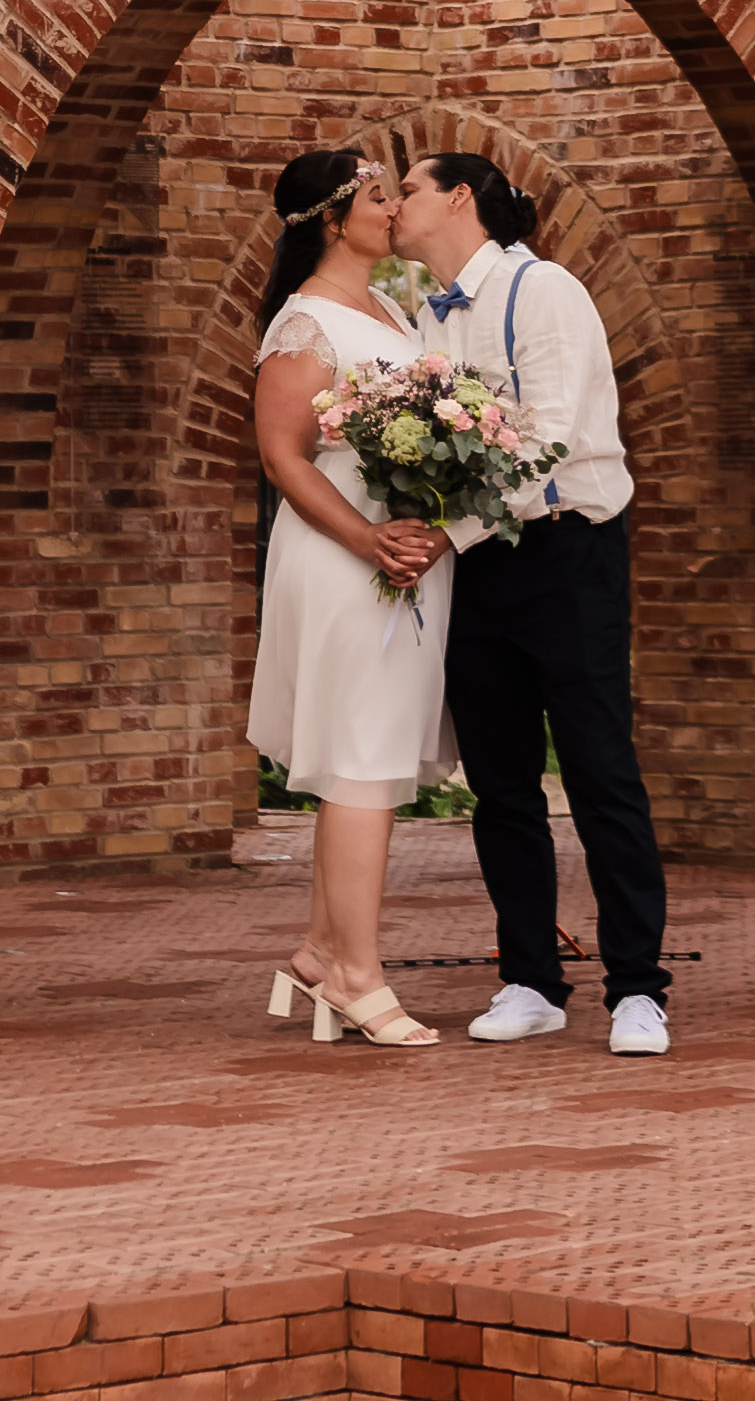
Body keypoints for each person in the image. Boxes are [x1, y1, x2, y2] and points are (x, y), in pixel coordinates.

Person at [391, 150, 669, 1055]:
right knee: (501, 784)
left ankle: (638, 989)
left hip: (567, 555)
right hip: (477, 570)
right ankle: (530, 981)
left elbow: (545, 445)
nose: (394, 204)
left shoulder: (544, 290)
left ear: (458, 199)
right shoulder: (426, 314)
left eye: (408, 189)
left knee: (599, 772)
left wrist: (448, 533)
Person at [240, 145, 458, 1046]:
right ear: (332, 220)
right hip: (345, 559)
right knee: (361, 761)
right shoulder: (305, 326)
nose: (392, 208)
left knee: (369, 762)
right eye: (377, 195)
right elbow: (284, 457)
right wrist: (367, 538)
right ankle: (359, 979)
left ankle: (321, 953)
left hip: (400, 555)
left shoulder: (392, 309)